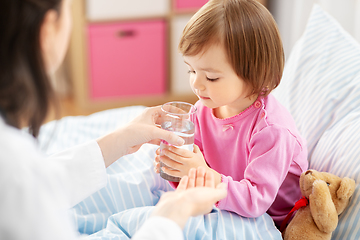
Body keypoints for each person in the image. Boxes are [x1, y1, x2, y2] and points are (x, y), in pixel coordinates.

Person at [0, 0, 227, 239]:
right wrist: (174, 212)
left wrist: (119, 139)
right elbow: (26, 188)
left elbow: (40, 185)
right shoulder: (15, 170)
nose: (197, 85)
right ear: (47, 30)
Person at [154, 0, 309, 228]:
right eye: (191, 69)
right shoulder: (201, 110)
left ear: (255, 73)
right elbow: (199, 172)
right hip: (224, 202)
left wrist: (202, 173)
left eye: (211, 77)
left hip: (268, 219)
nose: (196, 83)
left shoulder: (272, 130)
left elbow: (256, 201)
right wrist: (179, 169)